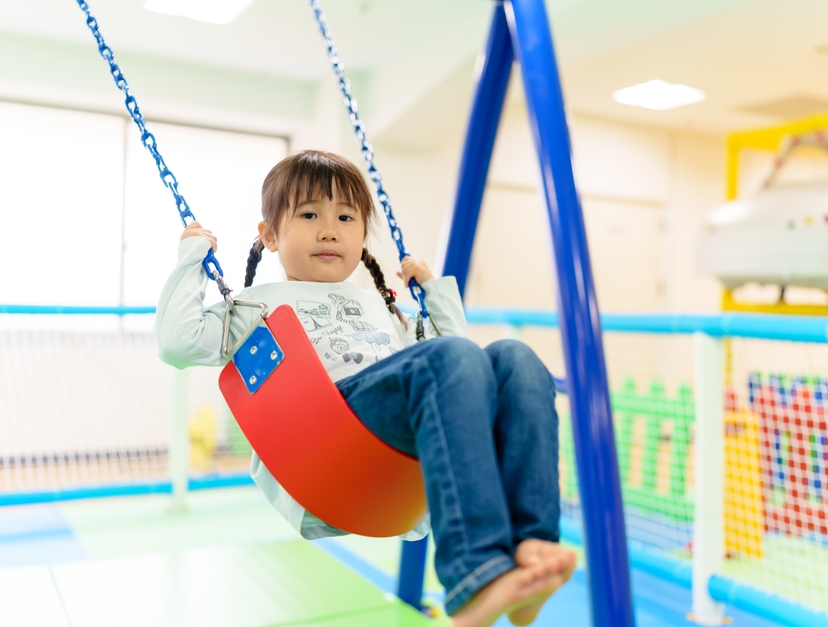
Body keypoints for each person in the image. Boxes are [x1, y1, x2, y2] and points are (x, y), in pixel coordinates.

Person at [154, 150, 576, 627]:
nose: (329, 229)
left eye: (346, 217)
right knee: (450, 360)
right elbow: (176, 341)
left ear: (361, 234)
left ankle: (530, 549)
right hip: (323, 444)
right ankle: (476, 570)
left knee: (516, 360)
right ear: (270, 235)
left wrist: (434, 296)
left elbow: (467, 374)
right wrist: (191, 260)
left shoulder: (381, 306)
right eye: (310, 214)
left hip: (391, 450)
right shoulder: (253, 307)